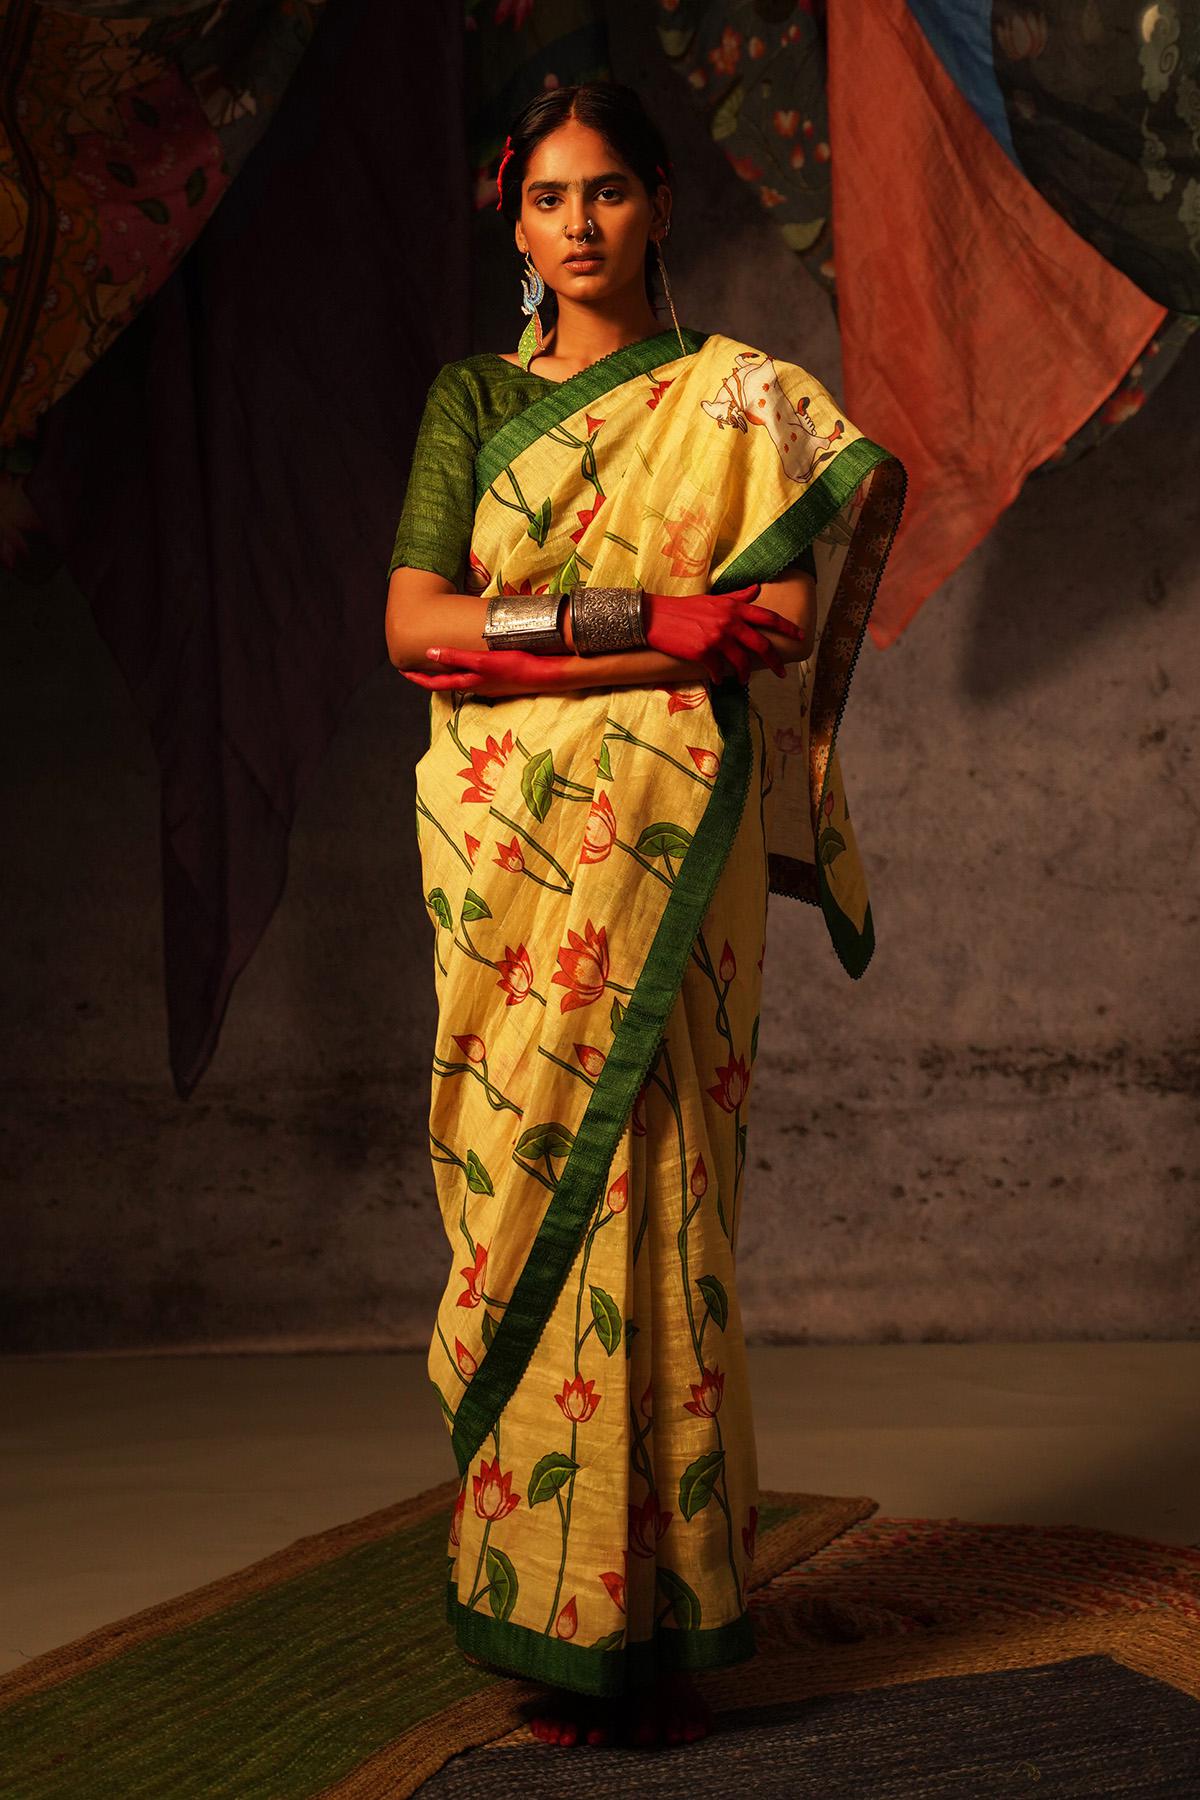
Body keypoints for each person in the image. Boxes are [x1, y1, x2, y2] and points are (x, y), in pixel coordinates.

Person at [384, 81, 904, 1750]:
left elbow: (765, 615)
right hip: (508, 844)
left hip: (674, 841)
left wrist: (565, 641)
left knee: (668, 1184)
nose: (580, 224)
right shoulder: (474, 399)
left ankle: (659, 1620)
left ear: (662, 206)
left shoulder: (739, 400)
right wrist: (649, 628)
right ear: (514, 221)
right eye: (549, 199)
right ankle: (547, 1612)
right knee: (522, 1187)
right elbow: (415, 627)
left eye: (608, 191)